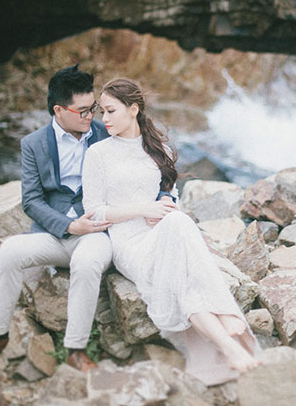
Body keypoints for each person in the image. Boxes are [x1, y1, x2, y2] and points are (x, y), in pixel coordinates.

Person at [0, 65, 170, 372]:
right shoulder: (33, 144)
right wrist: (68, 225)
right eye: (82, 111)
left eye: (93, 108)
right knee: (11, 251)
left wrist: (162, 198)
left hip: (99, 232)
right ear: (58, 110)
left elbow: (148, 168)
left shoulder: (107, 132)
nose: (92, 117)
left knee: (87, 263)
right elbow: (31, 200)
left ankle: (75, 349)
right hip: (56, 233)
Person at [82, 78, 261, 385]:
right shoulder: (98, 153)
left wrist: (165, 205)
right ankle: (227, 322)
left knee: (179, 231)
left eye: (111, 111)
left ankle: (227, 349)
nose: (104, 119)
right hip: (128, 241)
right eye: (102, 112)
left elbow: (171, 195)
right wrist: (144, 209)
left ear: (133, 109)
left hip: (161, 230)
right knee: (182, 249)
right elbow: (94, 211)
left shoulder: (158, 148)